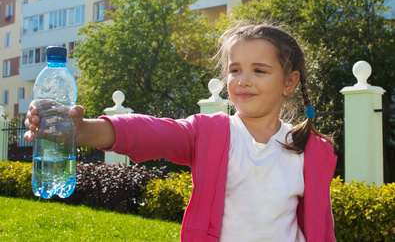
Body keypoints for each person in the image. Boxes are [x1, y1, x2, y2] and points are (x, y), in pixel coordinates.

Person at [25, 22, 337, 242]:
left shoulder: (311, 150)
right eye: (235, 69)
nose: (243, 80)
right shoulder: (211, 133)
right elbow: (151, 132)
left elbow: (321, 228)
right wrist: (84, 130)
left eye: (259, 70)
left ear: (289, 82)